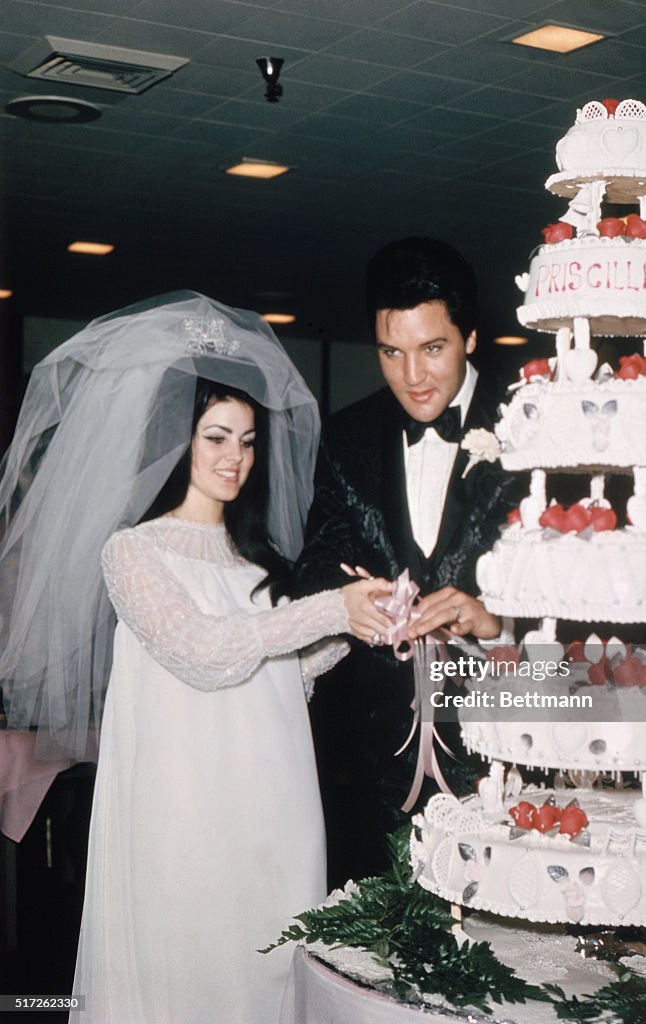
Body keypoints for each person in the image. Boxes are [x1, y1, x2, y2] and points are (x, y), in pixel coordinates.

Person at [0, 292, 391, 1022]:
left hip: (274, 796)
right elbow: (204, 653)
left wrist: (355, 625)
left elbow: (280, 676)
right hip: (186, 801)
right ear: (178, 441)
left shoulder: (260, 560)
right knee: (193, 961)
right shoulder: (133, 552)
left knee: (269, 964)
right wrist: (328, 610)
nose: (234, 458)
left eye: (246, 440)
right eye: (216, 438)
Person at [292, 237, 521, 881]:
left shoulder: (536, 428)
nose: (411, 376)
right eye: (391, 352)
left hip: (510, 759)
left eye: (432, 349)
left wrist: (495, 622)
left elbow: (585, 596)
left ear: (471, 337)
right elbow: (315, 567)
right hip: (375, 769)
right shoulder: (347, 436)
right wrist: (347, 605)